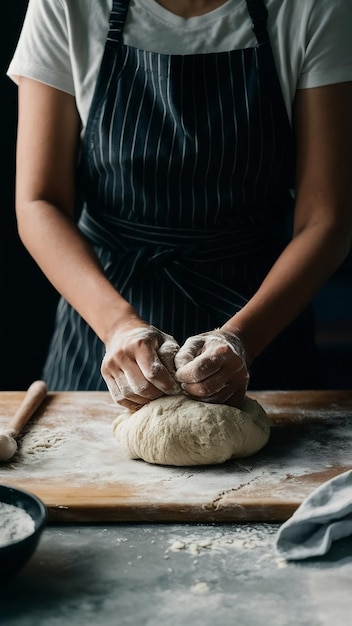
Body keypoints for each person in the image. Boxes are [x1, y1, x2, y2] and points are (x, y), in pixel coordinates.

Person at [7, 0, 352, 411]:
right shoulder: (64, 5)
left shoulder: (315, 7)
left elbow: (326, 218)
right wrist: (117, 326)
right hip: (103, 329)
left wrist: (242, 338)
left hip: (263, 323)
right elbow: (39, 200)